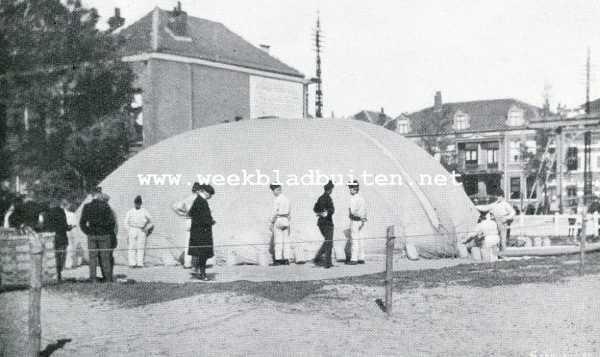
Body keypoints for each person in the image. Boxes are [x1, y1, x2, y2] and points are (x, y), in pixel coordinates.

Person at [79, 188, 115, 282]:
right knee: (105, 257)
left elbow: (82, 223)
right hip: (104, 234)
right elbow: (112, 222)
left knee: (92, 258)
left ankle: (93, 278)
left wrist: (88, 232)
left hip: (91, 235)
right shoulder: (105, 206)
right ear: (99, 194)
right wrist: (107, 231)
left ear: (92, 195)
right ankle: (107, 278)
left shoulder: (87, 206)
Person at [188, 184, 216, 280]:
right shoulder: (202, 201)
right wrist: (210, 221)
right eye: (209, 194)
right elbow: (204, 218)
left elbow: (191, 213)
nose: (210, 196)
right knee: (203, 254)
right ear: (205, 192)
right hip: (202, 233)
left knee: (201, 254)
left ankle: (200, 272)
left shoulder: (198, 200)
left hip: (198, 232)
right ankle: (202, 274)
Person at [172, 182, 201, 268]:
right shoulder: (200, 199)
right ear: (199, 190)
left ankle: (187, 264)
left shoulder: (187, 199)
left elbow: (175, 207)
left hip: (189, 221)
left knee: (188, 243)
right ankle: (196, 263)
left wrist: (183, 213)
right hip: (197, 221)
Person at [44, 198, 74, 281]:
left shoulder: (46, 213)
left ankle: (54, 275)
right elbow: (63, 225)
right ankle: (59, 275)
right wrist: (70, 227)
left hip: (50, 237)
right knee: (61, 257)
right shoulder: (61, 212)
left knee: (53, 257)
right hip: (61, 236)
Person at [125, 195, 153, 268]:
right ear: (134, 203)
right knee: (132, 247)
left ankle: (140, 263)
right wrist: (129, 230)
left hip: (141, 230)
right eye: (136, 203)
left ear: (141, 203)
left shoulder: (144, 211)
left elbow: (151, 222)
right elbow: (125, 222)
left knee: (141, 247)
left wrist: (146, 228)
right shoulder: (130, 211)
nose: (137, 204)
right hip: (132, 229)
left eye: (139, 203)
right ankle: (132, 263)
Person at [313, 180, 335, 268]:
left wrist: (319, 213)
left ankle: (318, 257)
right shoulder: (328, 198)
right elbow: (332, 210)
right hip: (328, 223)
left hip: (320, 223)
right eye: (332, 189)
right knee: (329, 242)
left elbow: (315, 208)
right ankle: (327, 263)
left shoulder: (320, 198)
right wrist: (327, 212)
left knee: (327, 241)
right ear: (330, 190)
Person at [270, 182, 291, 265]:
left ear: (277, 189)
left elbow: (275, 213)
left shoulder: (277, 199)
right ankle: (286, 259)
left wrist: (271, 222)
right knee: (286, 241)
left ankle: (278, 260)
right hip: (286, 219)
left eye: (273, 190)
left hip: (278, 220)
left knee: (278, 241)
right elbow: (289, 212)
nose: (273, 192)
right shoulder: (287, 199)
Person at [347, 180, 367, 265]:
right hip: (363, 221)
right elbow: (365, 211)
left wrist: (350, 214)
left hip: (355, 220)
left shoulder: (353, 199)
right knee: (361, 240)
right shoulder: (362, 198)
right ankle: (361, 258)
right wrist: (363, 218)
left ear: (355, 189)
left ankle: (354, 259)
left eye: (351, 188)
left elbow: (352, 212)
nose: (350, 190)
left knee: (354, 239)